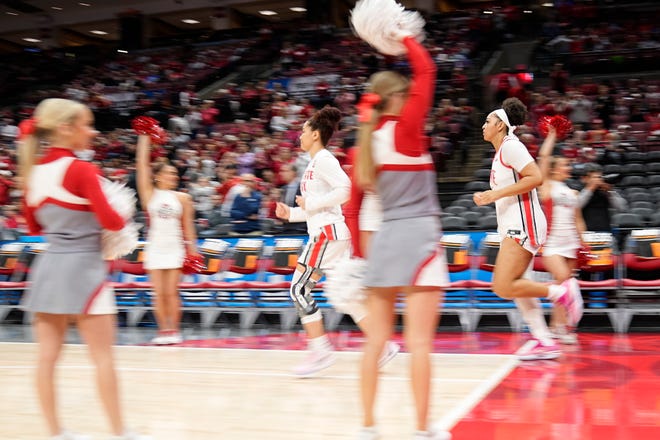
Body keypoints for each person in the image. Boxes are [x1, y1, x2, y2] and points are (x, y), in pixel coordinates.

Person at [19, 98, 150, 440]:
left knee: (46, 359)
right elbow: (111, 220)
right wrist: (119, 206)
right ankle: (121, 432)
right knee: (103, 358)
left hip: (48, 270)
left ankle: (55, 432)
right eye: (87, 125)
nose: (92, 132)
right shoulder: (80, 169)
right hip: (86, 271)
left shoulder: (31, 173)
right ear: (66, 128)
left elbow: (33, 226)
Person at [351, 30, 452, 439]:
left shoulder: (361, 145)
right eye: (408, 95)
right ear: (397, 98)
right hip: (421, 241)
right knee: (420, 345)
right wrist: (404, 36)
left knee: (375, 343)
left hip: (383, 243)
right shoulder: (407, 130)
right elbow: (427, 69)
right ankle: (424, 429)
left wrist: (360, 257)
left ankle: (368, 427)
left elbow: (352, 208)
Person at [275, 106, 399, 377]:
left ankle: (320, 352)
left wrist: (311, 203)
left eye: (304, 131)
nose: (300, 135)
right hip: (330, 232)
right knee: (345, 296)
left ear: (316, 134)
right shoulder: (313, 163)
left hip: (326, 235)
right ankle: (384, 345)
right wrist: (292, 214)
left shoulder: (323, 159)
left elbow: (344, 190)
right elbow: (318, 207)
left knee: (299, 289)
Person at [473, 97, 585, 360]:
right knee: (521, 287)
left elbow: (535, 177)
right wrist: (493, 196)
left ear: (501, 125)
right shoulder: (502, 151)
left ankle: (561, 291)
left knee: (502, 286)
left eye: (488, 121)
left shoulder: (512, 146)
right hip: (513, 224)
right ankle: (544, 340)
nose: (483, 125)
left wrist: (493, 195)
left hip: (523, 225)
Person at [136, 130, 198, 345]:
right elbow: (142, 165)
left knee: (172, 293)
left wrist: (193, 252)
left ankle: (174, 330)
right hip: (155, 247)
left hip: (175, 248)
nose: (174, 177)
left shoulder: (183, 198)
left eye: (175, 174)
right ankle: (163, 331)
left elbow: (188, 228)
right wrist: (144, 137)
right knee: (158, 293)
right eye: (169, 173)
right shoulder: (149, 194)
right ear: (157, 176)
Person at [537, 125, 587, 345]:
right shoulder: (547, 186)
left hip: (571, 243)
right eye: (565, 164)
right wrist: (552, 136)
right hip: (552, 244)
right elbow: (543, 156)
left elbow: (578, 219)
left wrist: (584, 241)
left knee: (562, 286)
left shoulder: (572, 191)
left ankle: (557, 327)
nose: (569, 166)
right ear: (556, 169)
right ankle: (561, 327)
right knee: (563, 282)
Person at [578, 163, 627, 232]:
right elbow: (577, 206)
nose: (598, 180)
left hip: (605, 230)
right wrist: (590, 188)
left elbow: (622, 208)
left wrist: (610, 192)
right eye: (595, 177)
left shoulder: (604, 191)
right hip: (586, 232)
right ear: (584, 179)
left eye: (600, 177)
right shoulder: (578, 190)